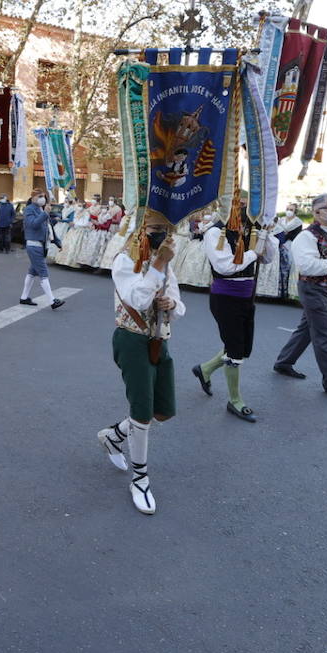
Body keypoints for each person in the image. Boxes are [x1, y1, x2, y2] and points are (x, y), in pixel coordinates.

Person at [95, 220, 184, 514]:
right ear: (138, 229)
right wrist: (159, 263)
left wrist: (172, 304)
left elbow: (180, 306)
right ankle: (140, 478)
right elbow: (138, 297)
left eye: (163, 228)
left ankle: (114, 436)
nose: (159, 233)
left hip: (160, 340)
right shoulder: (124, 260)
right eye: (152, 227)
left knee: (162, 409)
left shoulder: (164, 262)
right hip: (132, 341)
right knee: (143, 414)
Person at [272, 193, 327, 396]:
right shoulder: (306, 236)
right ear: (316, 212)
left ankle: (284, 362)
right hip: (313, 288)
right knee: (323, 334)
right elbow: (307, 266)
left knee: (307, 329)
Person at [192, 209, 263, 422]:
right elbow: (224, 266)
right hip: (225, 298)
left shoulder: (250, 228)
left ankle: (204, 369)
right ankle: (235, 400)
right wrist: (253, 253)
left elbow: (266, 259)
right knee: (235, 349)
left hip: (247, 296)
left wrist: (266, 238)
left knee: (242, 347)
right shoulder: (215, 232)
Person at [18, 190, 65, 310]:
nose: (42, 199)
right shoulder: (29, 209)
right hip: (34, 245)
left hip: (42, 245)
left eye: (43, 196)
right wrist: (45, 213)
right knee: (43, 272)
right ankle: (52, 301)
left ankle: (24, 297)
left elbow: (48, 228)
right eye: (39, 196)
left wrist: (58, 242)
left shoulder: (41, 210)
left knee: (32, 272)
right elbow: (32, 224)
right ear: (33, 197)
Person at [55, 199, 91, 267]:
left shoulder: (86, 213)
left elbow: (85, 223)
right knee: (68, 244)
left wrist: (75, 224)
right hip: (73, 229)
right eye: (78, 205)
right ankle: (66, 261)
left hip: (81, 231)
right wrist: (72, 223)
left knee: (76, 246)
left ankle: (74, 262)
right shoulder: (76, 212)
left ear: (83, 206)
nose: (79, 207)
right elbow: (74, 219)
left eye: (80, 205)